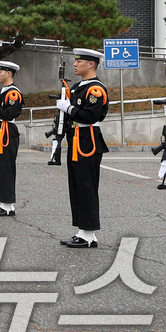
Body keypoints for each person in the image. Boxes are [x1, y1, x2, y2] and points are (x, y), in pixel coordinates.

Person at [58, 48, 110, 248]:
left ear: (91, 64)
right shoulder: (79, 86)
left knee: (87, 186)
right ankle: (82, 231)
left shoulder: (95, 89)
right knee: (77, 186)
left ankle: (89, 234)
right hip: (77, 138)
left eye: (79, 61)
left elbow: (91, 116)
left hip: (88, 139)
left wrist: (68, 108)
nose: (75, 64)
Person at [0, 61, 24, 217]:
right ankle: (4, 203)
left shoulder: (13, 93)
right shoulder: (2, 91)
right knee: (0, 168)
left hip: (7, 131)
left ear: (9, 73)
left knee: (6, 168)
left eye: (0, 71)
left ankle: (8, 205)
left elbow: (9, 114)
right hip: (0, 130)